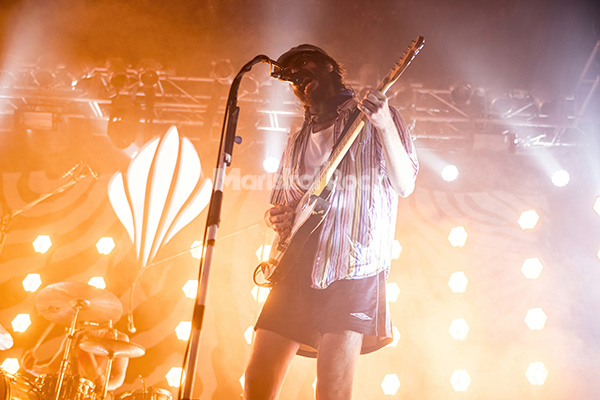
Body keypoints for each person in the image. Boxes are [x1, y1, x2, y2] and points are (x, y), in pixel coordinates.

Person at [244, 44, 418, 399]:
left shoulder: (376, 118)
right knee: (257, 379)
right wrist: (277, 218)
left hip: (351, 267)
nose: (296, 76)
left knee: (331, 388)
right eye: (290, 76)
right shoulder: (296, 142)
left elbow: (405, 184)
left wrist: (384, 124)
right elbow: (284, 207)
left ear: (328, 67)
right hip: (296, 266)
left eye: (303, 65)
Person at [21, 326, 129, 393]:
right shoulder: (75, 336)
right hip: (72, 393)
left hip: (98, 395)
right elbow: (53, 369)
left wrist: (106, 385)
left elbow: (119, 376)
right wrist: (32, 369)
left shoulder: (118, 338)